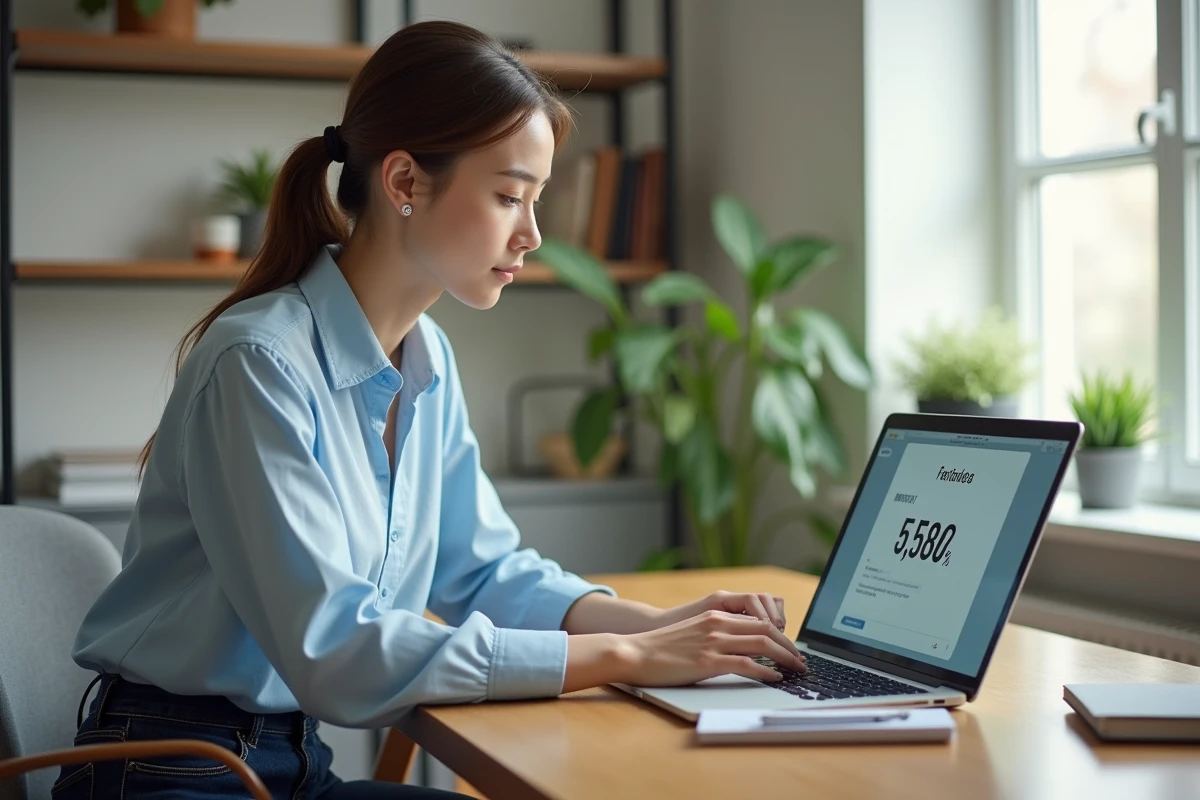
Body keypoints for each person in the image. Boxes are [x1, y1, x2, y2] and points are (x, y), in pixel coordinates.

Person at [55, 20, 807, 800]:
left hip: (296, 765)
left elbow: (480, 570)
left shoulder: (428, 356)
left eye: (536, 200)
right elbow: (335, 650)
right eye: (510, 196)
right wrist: (627, 660)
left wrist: (662, 627)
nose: (533, 235)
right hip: (172, 772)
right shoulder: (259, 365)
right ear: (406, 182)